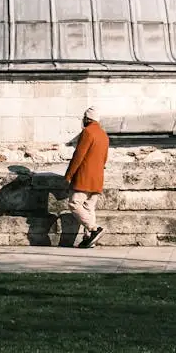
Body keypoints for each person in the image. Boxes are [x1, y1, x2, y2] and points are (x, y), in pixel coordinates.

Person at [64, 106, 109, 248]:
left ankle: (94, 229)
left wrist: (69, 174)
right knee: (89, 207)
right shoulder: (103, 134)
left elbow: (78, 155)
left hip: (84, 175)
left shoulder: (87, 132)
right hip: (98, 176)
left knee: (74, 204)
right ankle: (89, 240)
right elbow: (104, 158)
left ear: (87, 119)